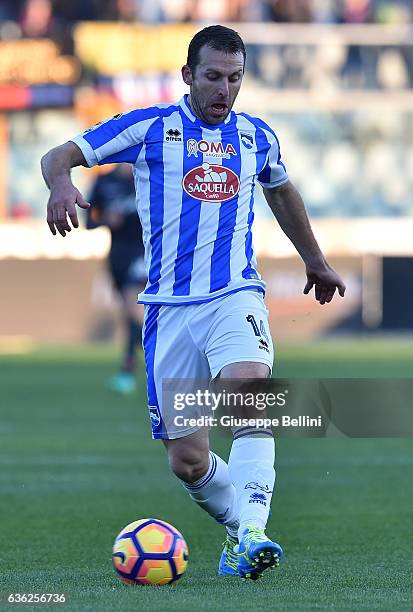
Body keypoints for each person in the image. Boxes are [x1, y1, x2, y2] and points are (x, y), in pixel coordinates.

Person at [41, 25, 346, 580]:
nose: (223, 90)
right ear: (188, 75)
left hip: (235, 294)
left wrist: (315, 258)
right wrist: (61, 185)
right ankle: (239, 534)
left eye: (234, 79)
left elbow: (280, 189)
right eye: (212, 77)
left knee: (252, 390)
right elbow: (59, 154)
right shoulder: (151, 127)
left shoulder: (257, 136)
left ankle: (253, 529)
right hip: (167, 308)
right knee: (188, 460)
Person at [86, 164, 146, 394]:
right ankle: (140, 363)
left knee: (135, 310)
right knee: (130, 315)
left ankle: (128, 370)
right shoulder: (104, 182)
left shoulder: (147, 175)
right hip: (118, 256)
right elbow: (89, 221)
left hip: (145, 253)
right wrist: (105, 220)